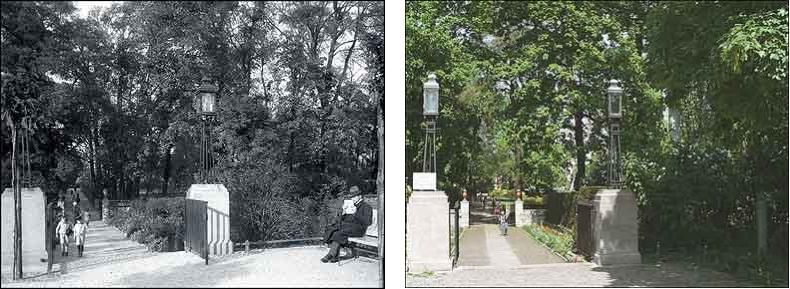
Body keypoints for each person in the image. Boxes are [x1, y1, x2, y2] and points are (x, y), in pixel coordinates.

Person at [321, 186, 372, 263]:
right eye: (351, 197)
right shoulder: (353, 206)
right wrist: (344, 214)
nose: (352, 199)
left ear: (360, 196)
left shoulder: (367, 207)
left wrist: (355, 214)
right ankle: (334, 256)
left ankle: (331, 254)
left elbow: (367, 222)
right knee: (333, 229)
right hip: (351, 228)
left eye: (354, 197)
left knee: (340, 232)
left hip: (359, 230)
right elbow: (347, 219)